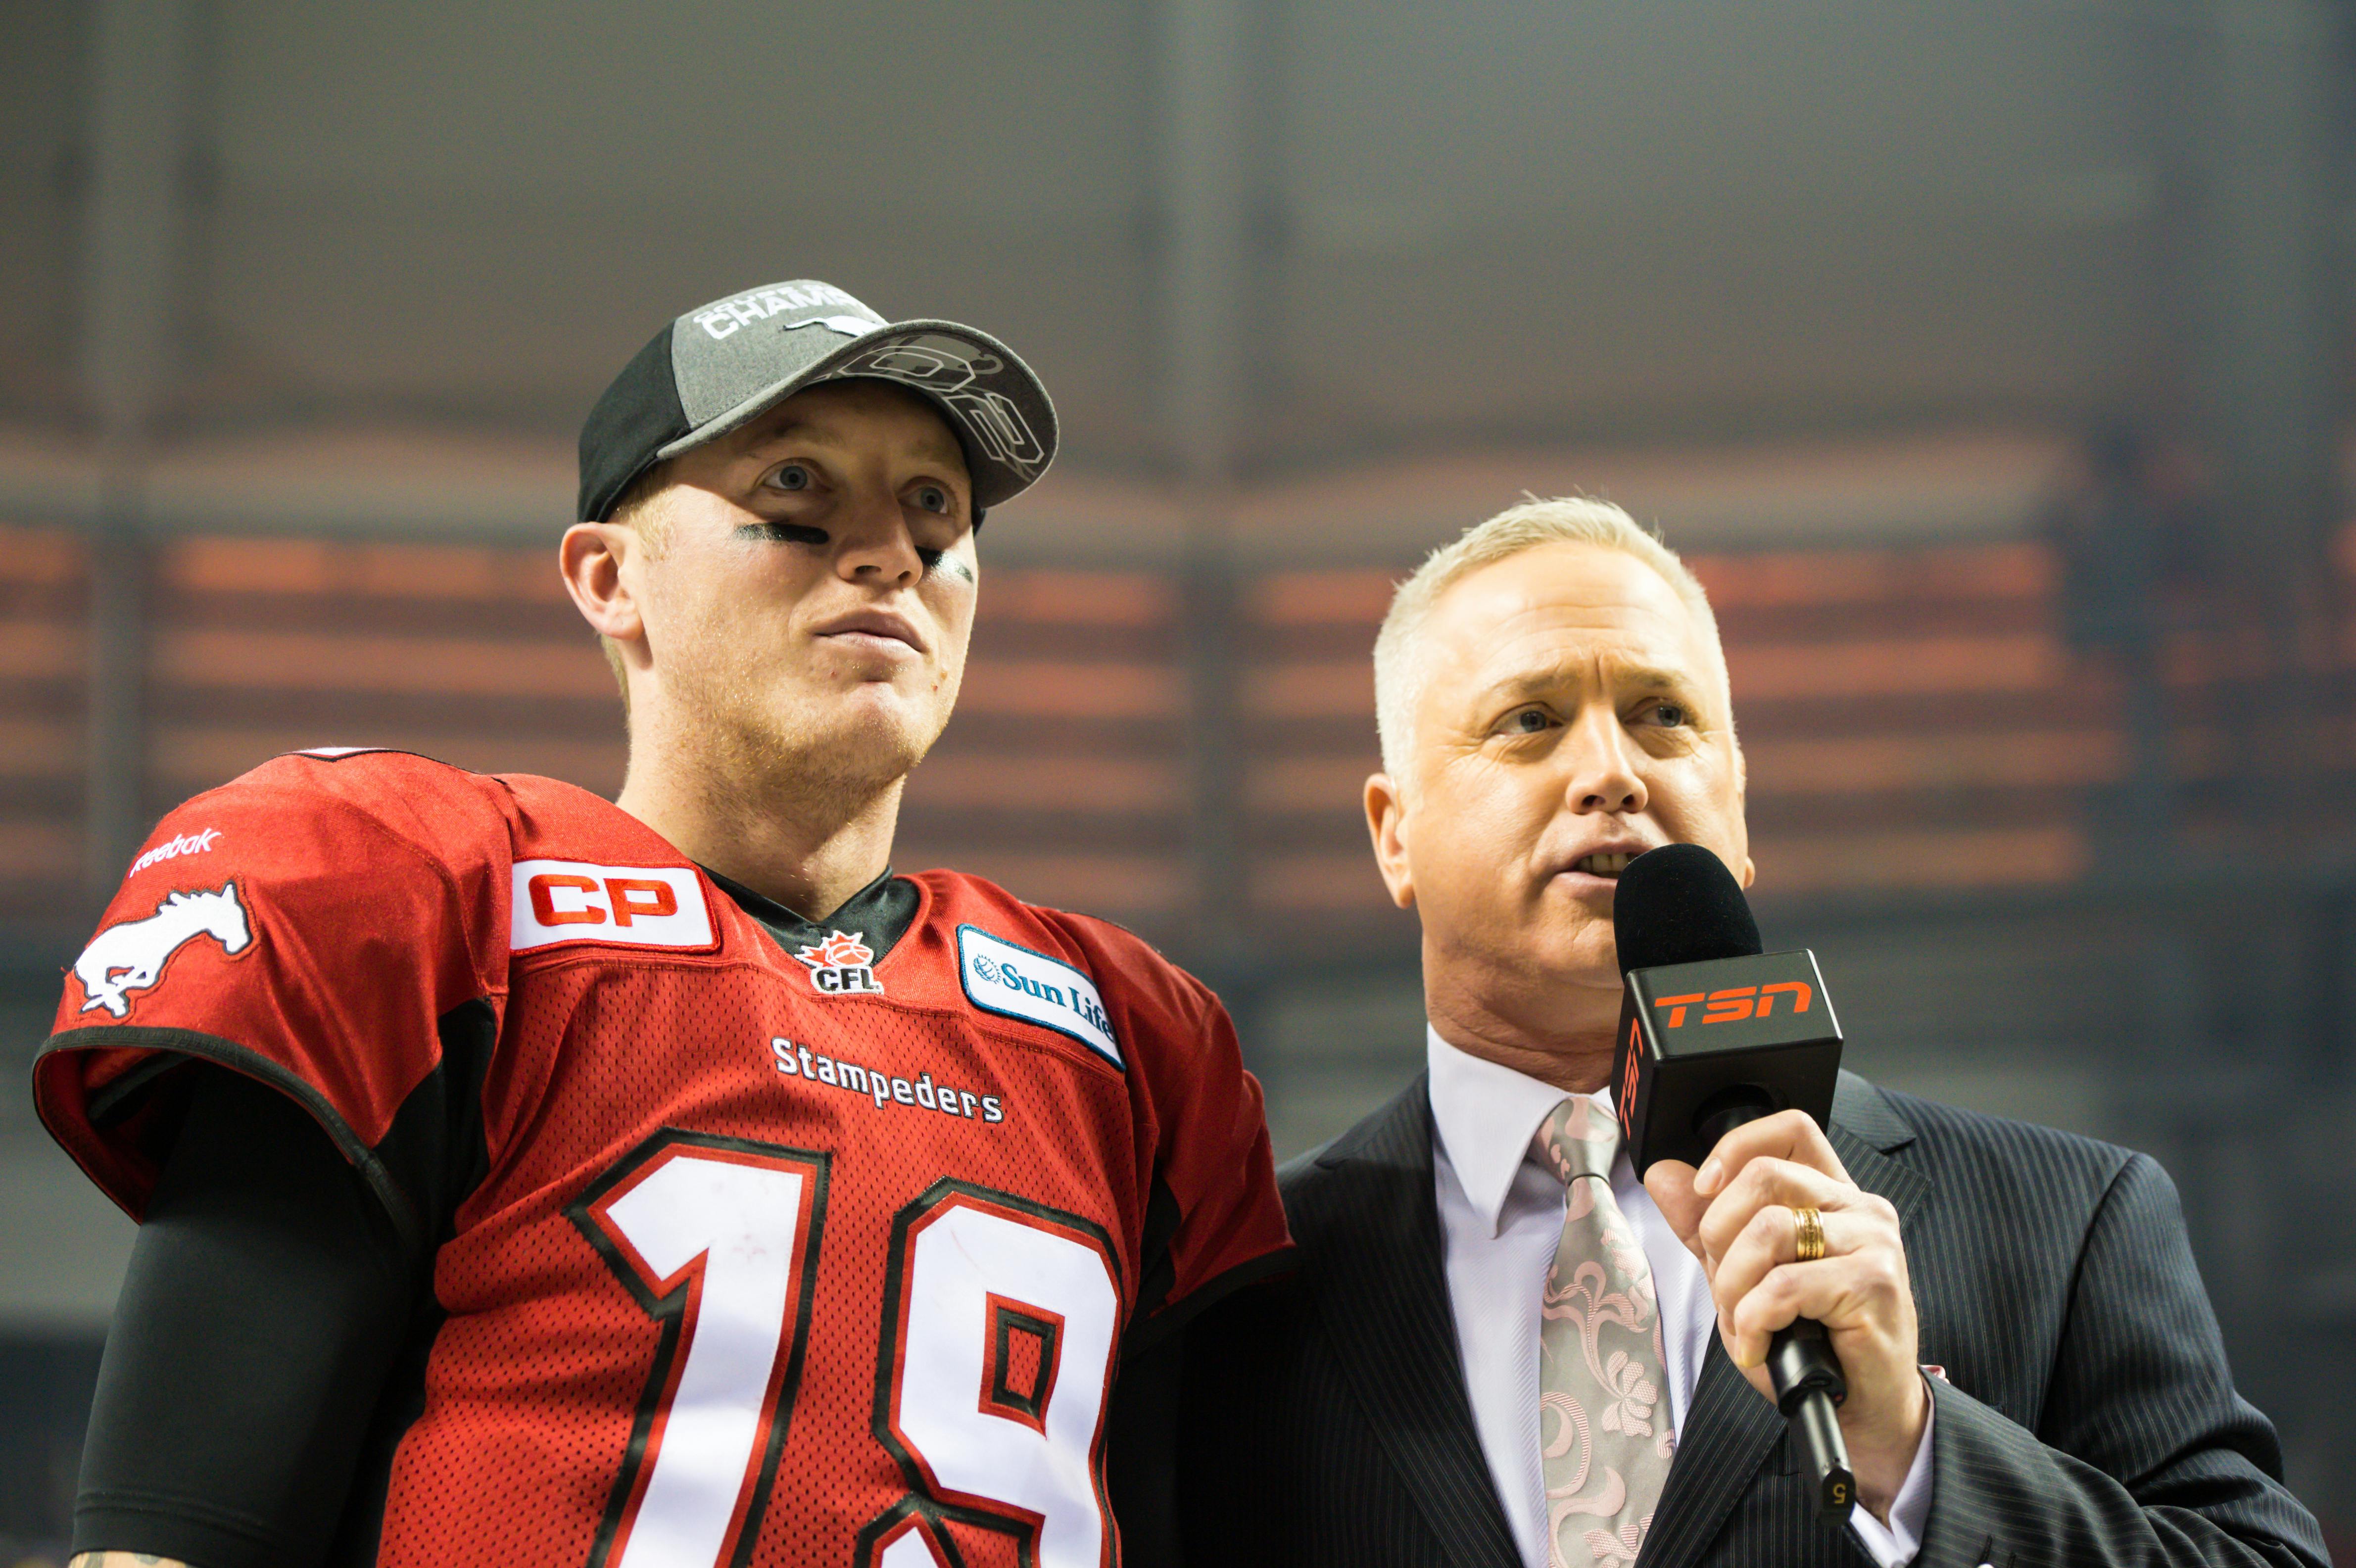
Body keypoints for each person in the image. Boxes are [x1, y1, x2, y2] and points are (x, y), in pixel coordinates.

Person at [36, 278, 1292, 1568]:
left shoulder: (1128, 1037)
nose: (889, 551)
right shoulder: (444, 903)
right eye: (796, 488)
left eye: (935, 507)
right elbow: (167, 1541)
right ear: (608, 577)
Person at [1174, 498, 2327, 1568]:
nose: (1610, 772)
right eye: (1529, 721)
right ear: (1393, 833)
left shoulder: (2068, 1222)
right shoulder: (1235, 1293)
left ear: (1736, 804)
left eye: (1660, 717)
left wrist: (1918, 1453)